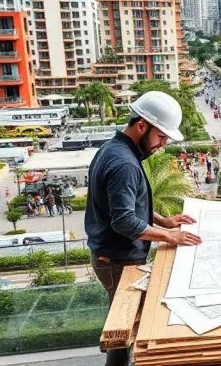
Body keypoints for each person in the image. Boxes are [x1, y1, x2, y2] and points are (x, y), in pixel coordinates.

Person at [85, 91, 202, 366]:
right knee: (122, 334)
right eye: (161, 137)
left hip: (114, 257)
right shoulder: (124, 163)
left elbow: (128, 205)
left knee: (124, 329)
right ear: (141, 126)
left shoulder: (112, 149)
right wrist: (169, 236)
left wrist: (163, 221)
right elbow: (124, 220)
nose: (162, 144)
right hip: (116, 261)